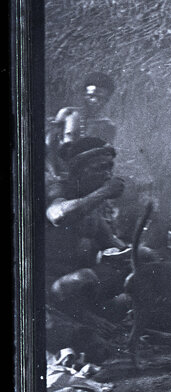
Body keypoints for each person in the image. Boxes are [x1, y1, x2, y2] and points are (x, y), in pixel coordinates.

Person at [45, 137, 128, 321]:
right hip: (52, 289)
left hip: (82, 289)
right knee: (85, 276)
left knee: (137, 265)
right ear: (79, 170)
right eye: (100, 168)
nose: (107, 175)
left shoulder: (93, 207)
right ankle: (84, 318)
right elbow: (59, 215)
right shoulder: (58, 190)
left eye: (109, 168)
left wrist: (139, 254)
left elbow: (113, 244)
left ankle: (96, 313)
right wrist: (104, 192)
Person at [46, 72, 118, 177]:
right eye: (91, 96)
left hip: (88, 177)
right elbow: (49, 147)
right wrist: (54, 174)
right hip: (59, 174)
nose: (94, 101)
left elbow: (106, 158)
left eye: (100, 98)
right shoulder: (67, 114)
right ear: (84, 95)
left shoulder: (108, 126)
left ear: (106, 100)